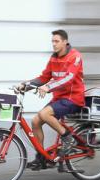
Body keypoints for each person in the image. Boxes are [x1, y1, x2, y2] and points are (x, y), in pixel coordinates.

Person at [19, 29, 85, 170]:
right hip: (59, 99)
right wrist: (25, 86)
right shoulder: (54, 58)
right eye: (52, 41)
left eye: (56, 41)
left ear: (65, 42)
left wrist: (48, 88)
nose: (53, 44)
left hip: (73, 99)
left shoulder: (75, 56)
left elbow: (68, 78)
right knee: (35, 121)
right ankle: (41, 158)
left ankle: (68, 138)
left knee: (44, 114)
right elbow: (44, 77)